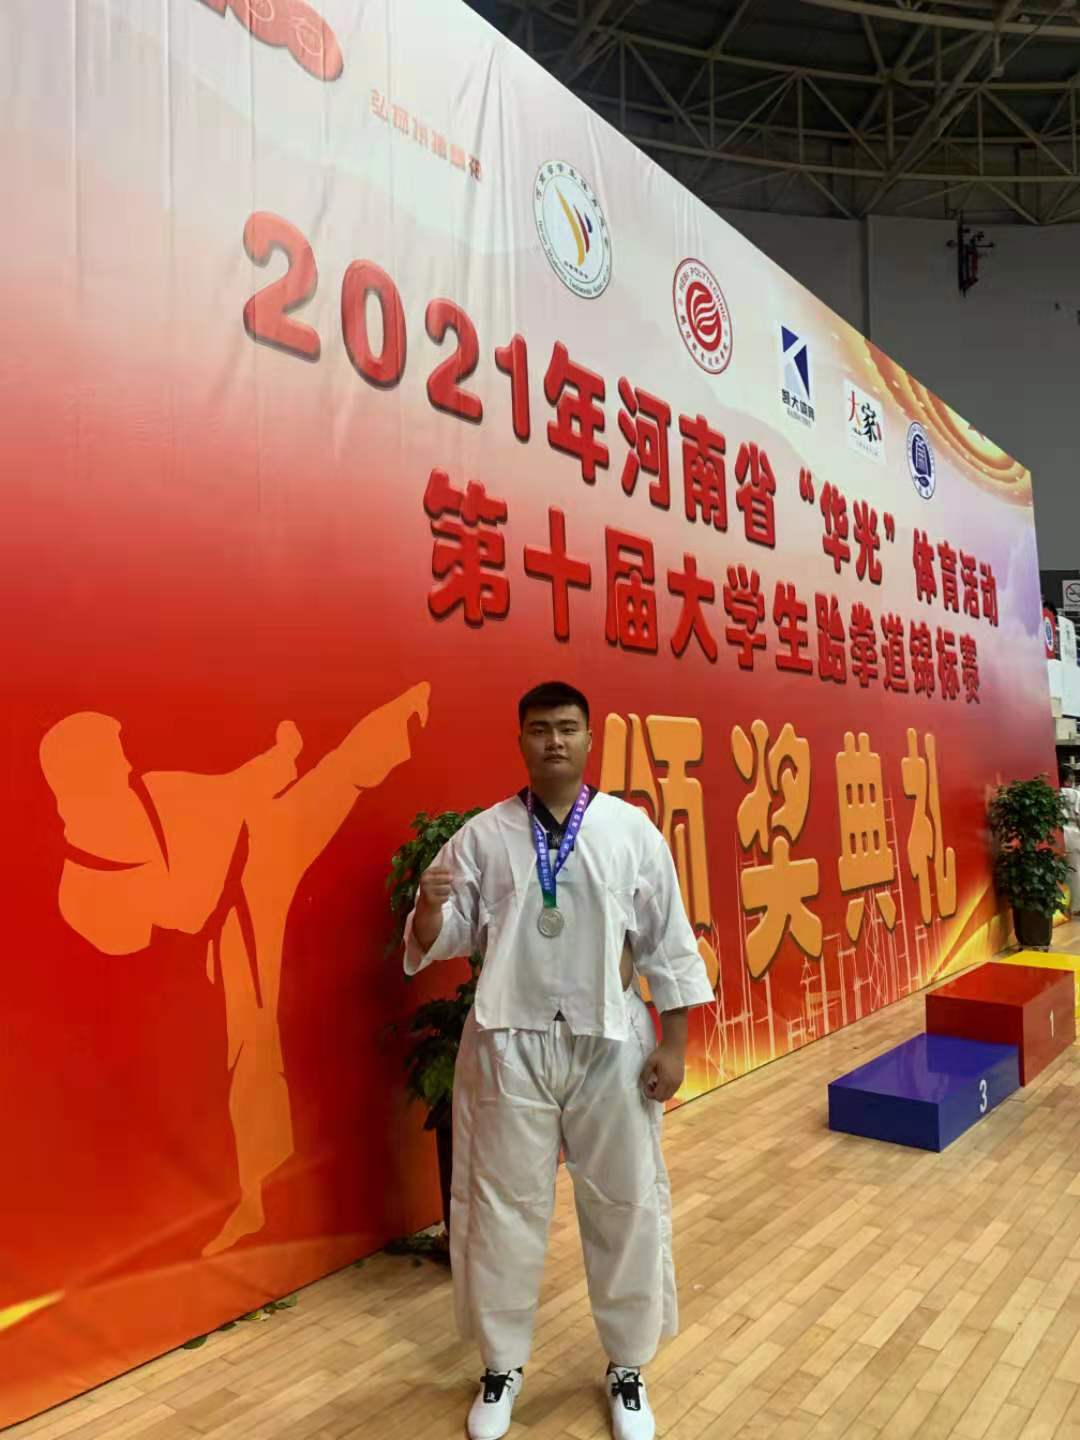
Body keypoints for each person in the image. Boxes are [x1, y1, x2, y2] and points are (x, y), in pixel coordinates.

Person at [404, 680, 715, 1440]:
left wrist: (675, 1044)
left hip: (610, 1043)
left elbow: (668, 941)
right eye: (540, 728)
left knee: (625, 1201)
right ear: (520, 739)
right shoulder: (483, 836)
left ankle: (628, 1365)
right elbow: (439, 937)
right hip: (509, 1046)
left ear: (588, 739)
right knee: (501, 1208)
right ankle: (501, 1365)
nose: (554, 741)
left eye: (567, 728)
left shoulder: (629, 831)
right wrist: (430, 908)